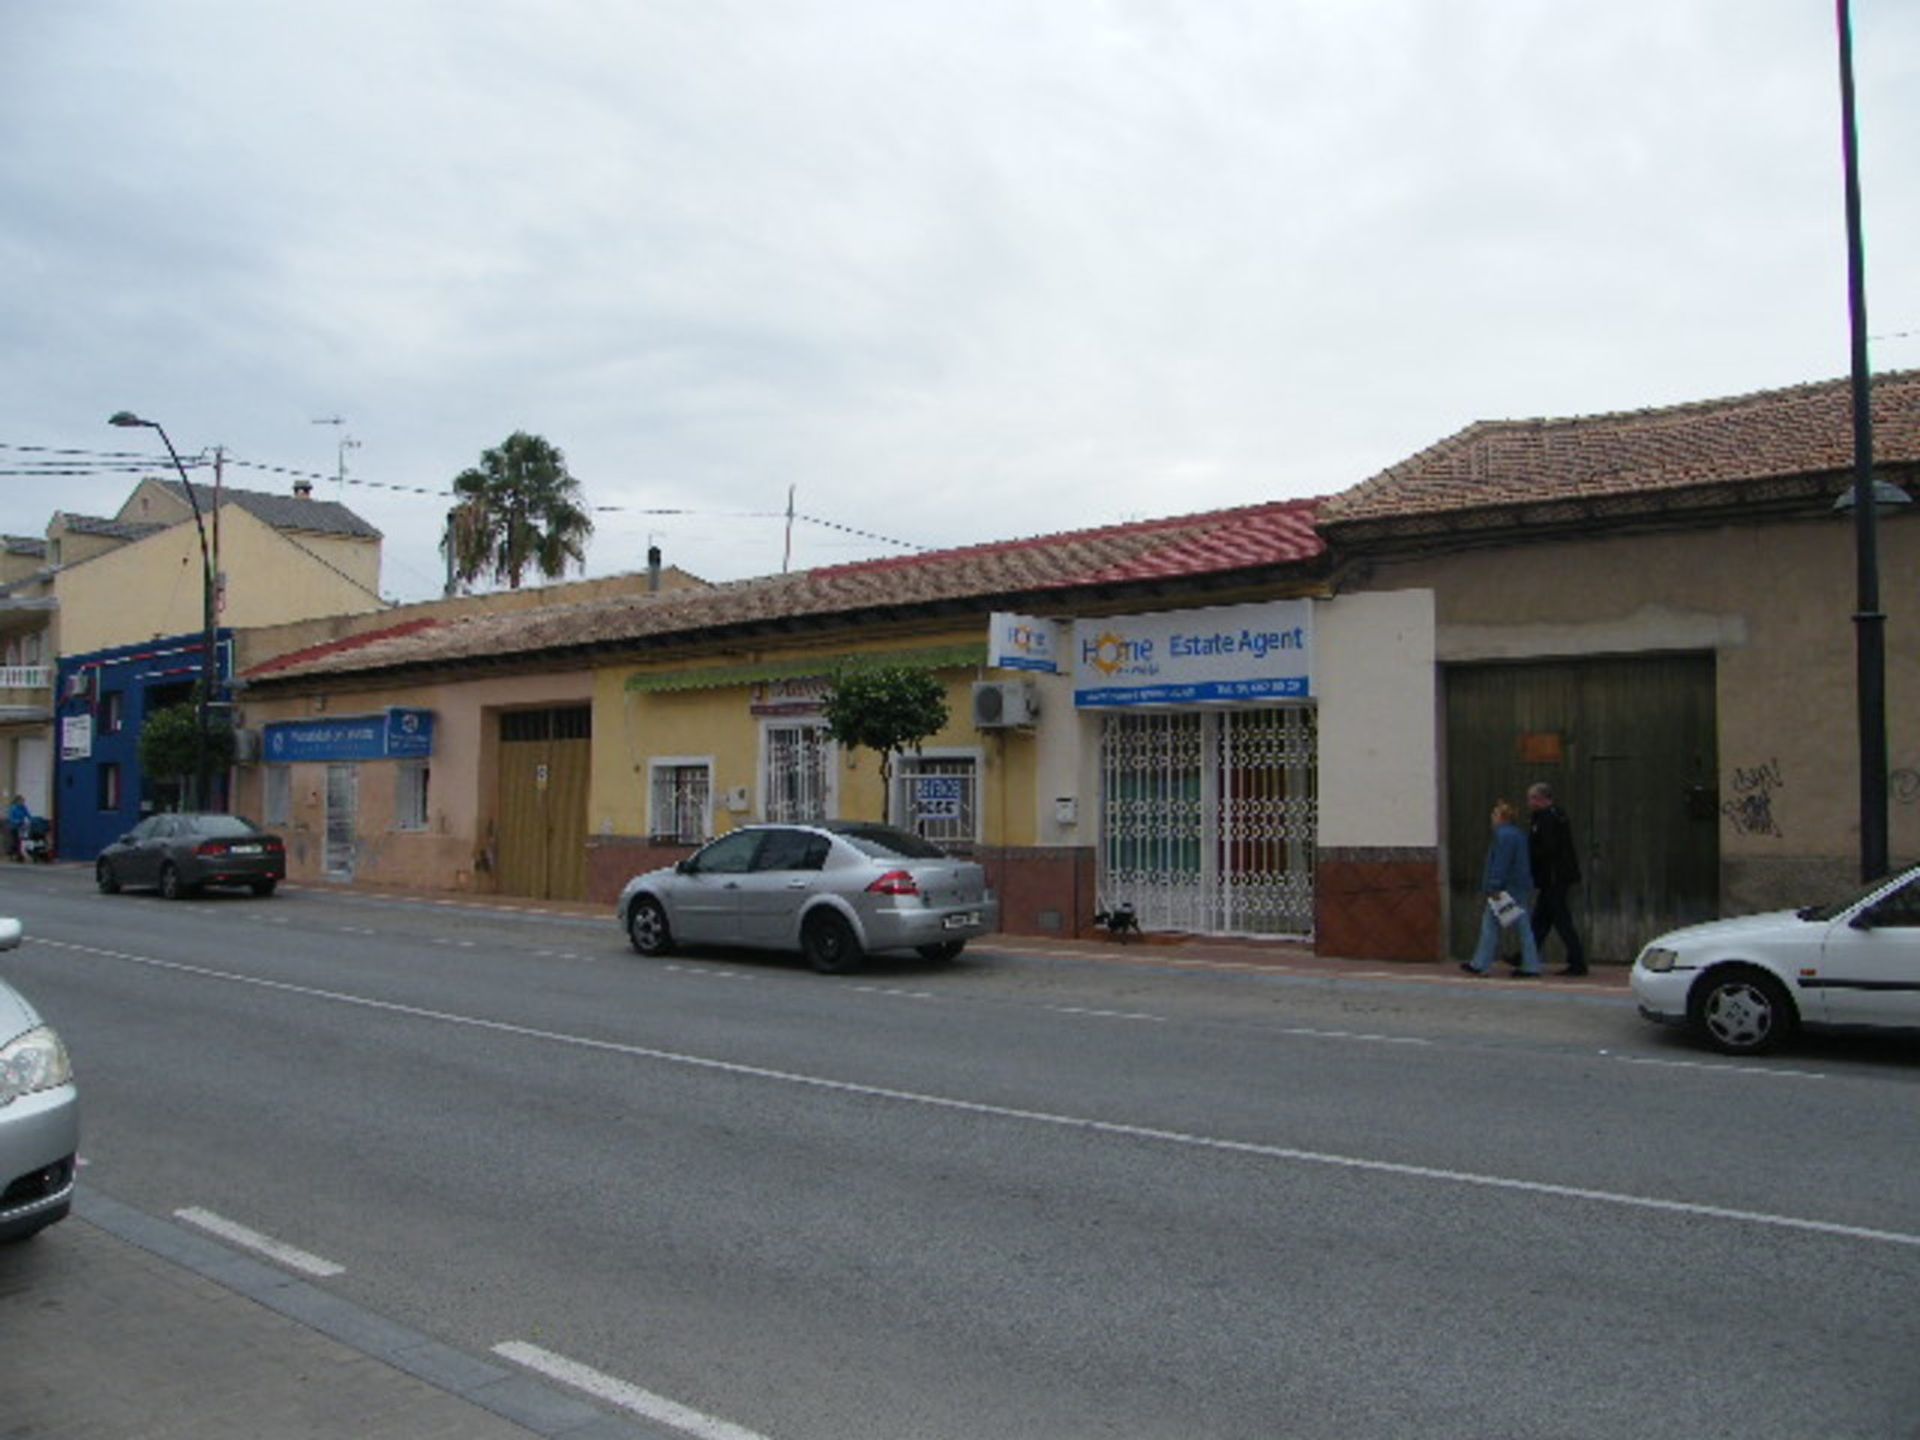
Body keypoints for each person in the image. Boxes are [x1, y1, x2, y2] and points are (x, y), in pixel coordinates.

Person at [1460, 799, 1542, 977]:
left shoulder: (1503, 836)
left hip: (1505, 888)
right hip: (1519, 885)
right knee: (1522, 925)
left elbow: (1500, 863)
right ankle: (1530, 964)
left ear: (1503, 817)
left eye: (1495, 814)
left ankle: (1481, 964)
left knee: (1491, 925)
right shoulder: (1519, 835)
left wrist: (1494, 886)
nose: (1492, 818)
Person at [1527, 781, 1588, 976]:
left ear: (1542, 799)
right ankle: (1527, 955)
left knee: (1561, 920)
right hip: (1553, 877)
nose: (1530, 802)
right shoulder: (1554, 815)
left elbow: (1548, 848)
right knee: (1541, 920)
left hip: (1554, 877)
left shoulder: (1548, 818)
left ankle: (1578, 962)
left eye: (1533, 798)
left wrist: (1532, 854)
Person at [6, 795, 28, 863]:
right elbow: (11, 818)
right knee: (15, 841)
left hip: (21, 827)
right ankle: (12, 854)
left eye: (23, 801)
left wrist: (32, 820)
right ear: (17, 801)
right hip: (13, 827)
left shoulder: (24, 808)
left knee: (20, 841)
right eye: (21, 801)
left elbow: (28, 814)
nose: (22, 803)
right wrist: (17, 821)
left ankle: (18, 855)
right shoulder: (13, 808)